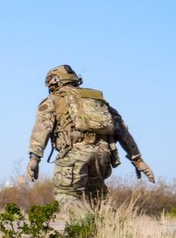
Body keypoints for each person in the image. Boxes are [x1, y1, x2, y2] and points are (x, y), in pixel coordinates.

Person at [26, 64, 156, 207]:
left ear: (53, 82)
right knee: (98, 199)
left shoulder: (53, 100)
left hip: (74, 154)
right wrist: (137, 159)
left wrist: (35, 158)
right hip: (103, 155)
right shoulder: (97, 101)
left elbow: (42, 128)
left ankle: (82, 226)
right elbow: (122, 130)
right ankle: (111, 228)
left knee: (67, 196)